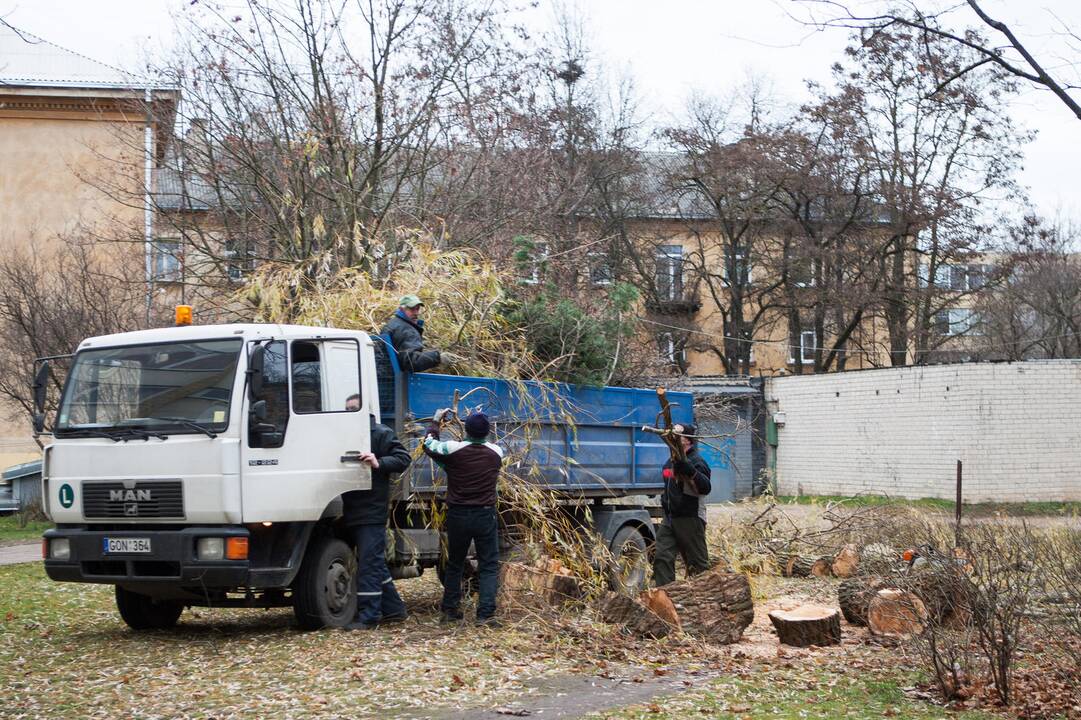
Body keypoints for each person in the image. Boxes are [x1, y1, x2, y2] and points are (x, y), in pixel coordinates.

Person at [422, 411, 504, 626]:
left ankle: (449, 610)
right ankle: (485, 615)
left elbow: (429, 445)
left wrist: (435, 422)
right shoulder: (496, 452)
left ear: (465, 430)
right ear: (488, 432)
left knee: (455, 563)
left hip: (458, 514)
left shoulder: (452, 450)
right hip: (485, 514)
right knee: (488, 564)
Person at [342, 417, 413, 630]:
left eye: (353, 409)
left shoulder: (381, 433)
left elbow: (403, 459)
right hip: (352, 508)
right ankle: (394, 610)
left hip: (372, 510)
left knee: (369, 565)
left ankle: (369, 617)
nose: (349, 412)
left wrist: (378, 462)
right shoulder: (342, 433)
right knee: (373, 561)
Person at [652, 423, 712, 587]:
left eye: (678, 436)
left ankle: (707, 598)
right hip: (670, 518)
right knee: (662, 557)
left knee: (697, 564)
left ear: (688, 440)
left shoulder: (697, 461)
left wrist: (690, 471)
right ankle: (665, 597)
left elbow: (705, 488)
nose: (674, 438)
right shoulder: (669, 462)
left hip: (690, 518)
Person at [381, 294, 441, 373]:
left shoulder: (391, 325)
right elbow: (410, 361)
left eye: (417, 309)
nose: (416, 313)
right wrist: (438, 357)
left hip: (384, 375)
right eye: (412, 309)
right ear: (401, 309)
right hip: (394, 380)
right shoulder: (407, 329)